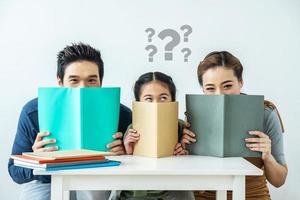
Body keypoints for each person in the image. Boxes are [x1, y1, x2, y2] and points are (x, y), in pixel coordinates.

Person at [8, 43, 132, 200]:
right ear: (60, 82)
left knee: (94, 193)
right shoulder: (33, 112)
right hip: (46, 180)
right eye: (74, 80)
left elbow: (137, 168)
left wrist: (125, 156)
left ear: (101, 82)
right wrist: (35, 160)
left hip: (95, 178)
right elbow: (14, 171)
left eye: (91, 80)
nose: (83, 88)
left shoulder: (122, 114)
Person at [186, 51, 287, 200]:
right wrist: (183, 154)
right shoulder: (194, 115)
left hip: (252, 195)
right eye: (210, 88)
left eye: (227, 86)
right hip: (205, 196)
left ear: (241, 82)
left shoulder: (265, 113)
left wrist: (267, 156)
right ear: (202, 89)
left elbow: (279, 181)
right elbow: (187, 181)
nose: (220, 94)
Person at [121, 71, 196, 200]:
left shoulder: (183, 128)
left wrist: (184, 154)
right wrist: (128, 152)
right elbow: (125, 169)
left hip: (172, 188)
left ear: (173, 100)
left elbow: (194, 166)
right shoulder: (132, 130)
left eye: (163, 98)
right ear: (139, 103)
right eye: (149, 99)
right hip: (138, 190)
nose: (156, 104)